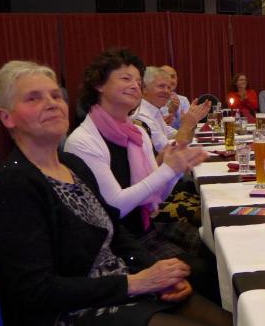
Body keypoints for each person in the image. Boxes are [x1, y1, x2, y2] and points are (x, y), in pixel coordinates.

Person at [0, 60, 245, 326]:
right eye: (33, 98)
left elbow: (115, 231)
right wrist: (136, 283)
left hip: (114, 289)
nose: (51, 103)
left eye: (55, 95)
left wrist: (160, 273)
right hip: (61, 321)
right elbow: (35, 290)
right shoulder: (14, 185)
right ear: (7, 117)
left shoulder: (70, 164)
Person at [64, 49, 210, 267]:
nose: (134, 85)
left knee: (212, 250)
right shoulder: (84, 140)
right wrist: (169, 169)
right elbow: (116, 207)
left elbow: (157, 196)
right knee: (203, 270)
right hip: (115, 246)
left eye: (138, 81)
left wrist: (175, 168)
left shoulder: (136, 132)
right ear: (99, 84)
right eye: (126, 78)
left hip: (146, 227)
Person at [132, 66, 209, 152]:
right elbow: (170, 152)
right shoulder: (141, 116)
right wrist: (186, 125)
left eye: (169, 88)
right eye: (161, 86)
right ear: (144, 88)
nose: (166, 91)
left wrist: (192, 121)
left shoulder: (155, 113)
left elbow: (184, 140)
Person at [159, 65, 190, 129]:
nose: (170, 80)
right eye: (166, 77)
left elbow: (188, 127)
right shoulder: (153, 100)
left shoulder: (183, 100)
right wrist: (171, 113)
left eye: (173, 77)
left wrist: (176, 113)